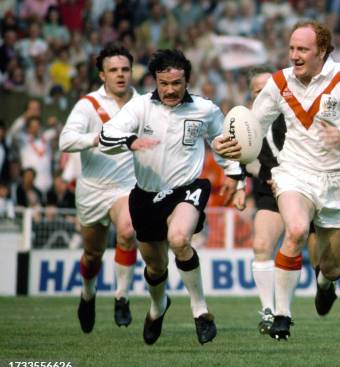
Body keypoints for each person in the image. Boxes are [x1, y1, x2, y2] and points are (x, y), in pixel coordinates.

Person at [215, 20, 340, 340]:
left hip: (336, 179)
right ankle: (282, 315)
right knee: (295, 230)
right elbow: (253, 127)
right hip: (293, 173)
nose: (294, 55)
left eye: (302, 49)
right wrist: (227, 150)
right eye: (291, 48)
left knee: (330, 265)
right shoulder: (279, 82)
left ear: (322, 52)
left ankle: (326, 284)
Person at [99, 49, 243, 345]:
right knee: (155, 266)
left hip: (186, 188)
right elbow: (105, 135)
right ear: (155, 81)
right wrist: (130, 140)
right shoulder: (140, 107)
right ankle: (157, 306)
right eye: (164, 83)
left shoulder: (205, 109)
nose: (170, 90)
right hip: (146, 195)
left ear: (186, 80)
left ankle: (200, 311)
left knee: (179, 239)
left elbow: (223, 144)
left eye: (176, 83)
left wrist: (234, 175)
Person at [59, 43, 139, 333]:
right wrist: (97, 138)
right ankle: (88, 295)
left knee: (128, 231)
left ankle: (122, 297)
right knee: (92, 254)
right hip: (92, 188)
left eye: (125, 69)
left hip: (127, 187)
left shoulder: (141, 104)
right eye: (113, 70)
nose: (120, 75)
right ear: (102, 75)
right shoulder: (88, 105)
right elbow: (65, 141)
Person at [241, 66, 317, 335]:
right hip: (268, 191)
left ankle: (326, 285)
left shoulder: (296, 115)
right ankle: (270, 312)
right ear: (251, 95)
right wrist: (244, 183)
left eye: (267, 90)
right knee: (261, 244)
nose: (263, 96)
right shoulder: (246, 123)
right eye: (257, 91)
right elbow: (240, 159)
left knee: (324, 262)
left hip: (305, 189)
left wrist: (288, 177)